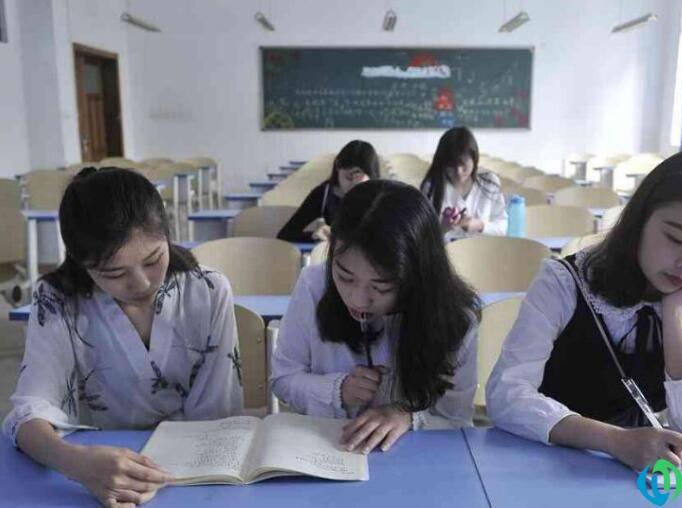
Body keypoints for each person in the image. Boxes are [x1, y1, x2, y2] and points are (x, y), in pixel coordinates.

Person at [486, 147, 682, 471]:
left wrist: (674, 313)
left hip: (631, 472)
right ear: (640, 219)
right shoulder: (564, 282)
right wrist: (615, 441)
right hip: (544, 461)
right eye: (676, 239)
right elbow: (507, 394)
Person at [3, 168, 243, 506]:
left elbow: (216, 415)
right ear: (82, 263)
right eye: (114, 273)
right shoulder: (58, 299)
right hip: (93, 471)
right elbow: (29, 411)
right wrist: (74, 462)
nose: (141, 283)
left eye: (153, 259)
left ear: (167, 234)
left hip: (193, 471)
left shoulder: (208, 290)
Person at [271, 180, 480, 454]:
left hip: (417, 459)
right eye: (345, 277)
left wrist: (408, 416)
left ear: (417, 274)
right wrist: (337, 390)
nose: (358, 300)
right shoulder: (314, 285)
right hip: (329, 451)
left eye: (381, 287)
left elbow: (457, 420)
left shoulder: (456, 317)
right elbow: (283, 379)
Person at [277, 140, 380, 242]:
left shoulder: (380, 195)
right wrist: (314, 235)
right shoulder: (323, 195)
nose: (353, 184)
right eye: (348, 177)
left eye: (360, 179)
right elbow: (285, 234)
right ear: (337, 166)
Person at [420, 126, 507, 240]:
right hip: (447, 250)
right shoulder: (432, 187)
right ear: (443, 164)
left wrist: (480, 225)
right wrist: (444, 227)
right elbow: (423, 237)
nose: (459, 172)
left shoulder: (489, 182)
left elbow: (503, 227)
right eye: (451, 166)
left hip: (484, 249)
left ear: (474, 159)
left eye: (464, 165)